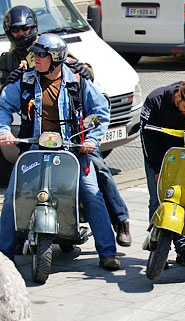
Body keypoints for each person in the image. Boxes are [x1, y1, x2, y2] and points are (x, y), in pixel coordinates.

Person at [0, 6, 132, 247]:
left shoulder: (52, 47)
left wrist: (90, 140)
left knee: (97, 174)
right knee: (13, 192)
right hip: (34, 139)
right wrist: (4, 127)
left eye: (25, 29)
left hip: (72, 140)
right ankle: (8, 248)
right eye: (15, 30)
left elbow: (84, 74)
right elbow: (5, 100)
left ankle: (120, 221)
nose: (21, 34)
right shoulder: (8, 60)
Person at [140, 81, 185, 268]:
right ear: (179, 96)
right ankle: (157, 250)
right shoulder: (155, 100)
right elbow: (146, 137)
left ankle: (184, 249)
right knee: (157, 200)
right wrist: (156, 169)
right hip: (158, 154)